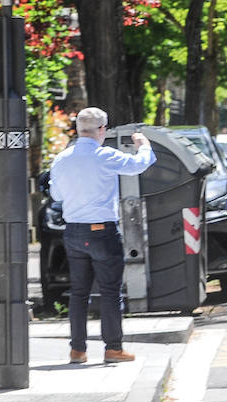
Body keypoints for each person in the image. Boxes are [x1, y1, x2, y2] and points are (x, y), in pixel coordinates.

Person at [49, 107, 156, 364]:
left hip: (73, 231)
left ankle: (77, 350)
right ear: (101, 130)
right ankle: (113, 348)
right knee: (110, 291)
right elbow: (139, 165)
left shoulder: (61, 159)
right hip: (102, 231)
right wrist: (143, 144)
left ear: (77, 129)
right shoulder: (105, 155)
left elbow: (57, 197)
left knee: (78, 292)